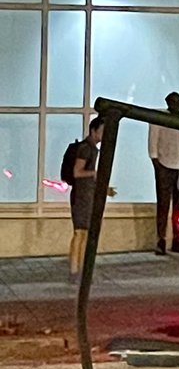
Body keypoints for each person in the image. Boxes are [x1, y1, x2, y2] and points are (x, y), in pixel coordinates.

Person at [148, 91, 179, 255]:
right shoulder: (159, 118)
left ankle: (177, 238)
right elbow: (153, 142)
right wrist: (156, 162)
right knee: (163, 204)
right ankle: (160, 239)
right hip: (164, 164)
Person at [69, 116, 105, 277]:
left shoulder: (91, 149)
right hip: (81, 196)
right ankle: (75, 269)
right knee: (80, 232)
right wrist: (94, 174)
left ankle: (79, 269)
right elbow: (77, 171)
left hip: (85, 195)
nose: (104, 135)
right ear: (93, 131)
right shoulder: (86, 149)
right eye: (102, 131)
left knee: (83, 232)